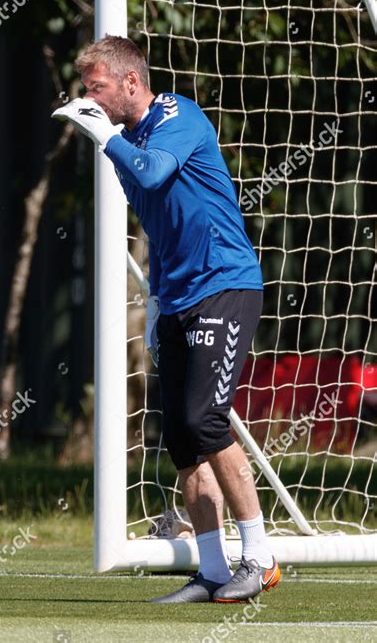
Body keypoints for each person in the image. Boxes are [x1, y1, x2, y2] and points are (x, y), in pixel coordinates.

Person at [52, 35, 281, 604]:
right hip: (177, 298)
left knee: (206, 420)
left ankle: (261, 557)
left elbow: (153, 175)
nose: (90, 100)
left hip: (225, 285)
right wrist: (156, 301)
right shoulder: (127, 140)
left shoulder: (178, 114)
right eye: (86, 91)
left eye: (97, 88)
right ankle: (210, 570)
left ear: (131, 82)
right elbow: (158, 219)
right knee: (180, 437)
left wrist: (104, 135)